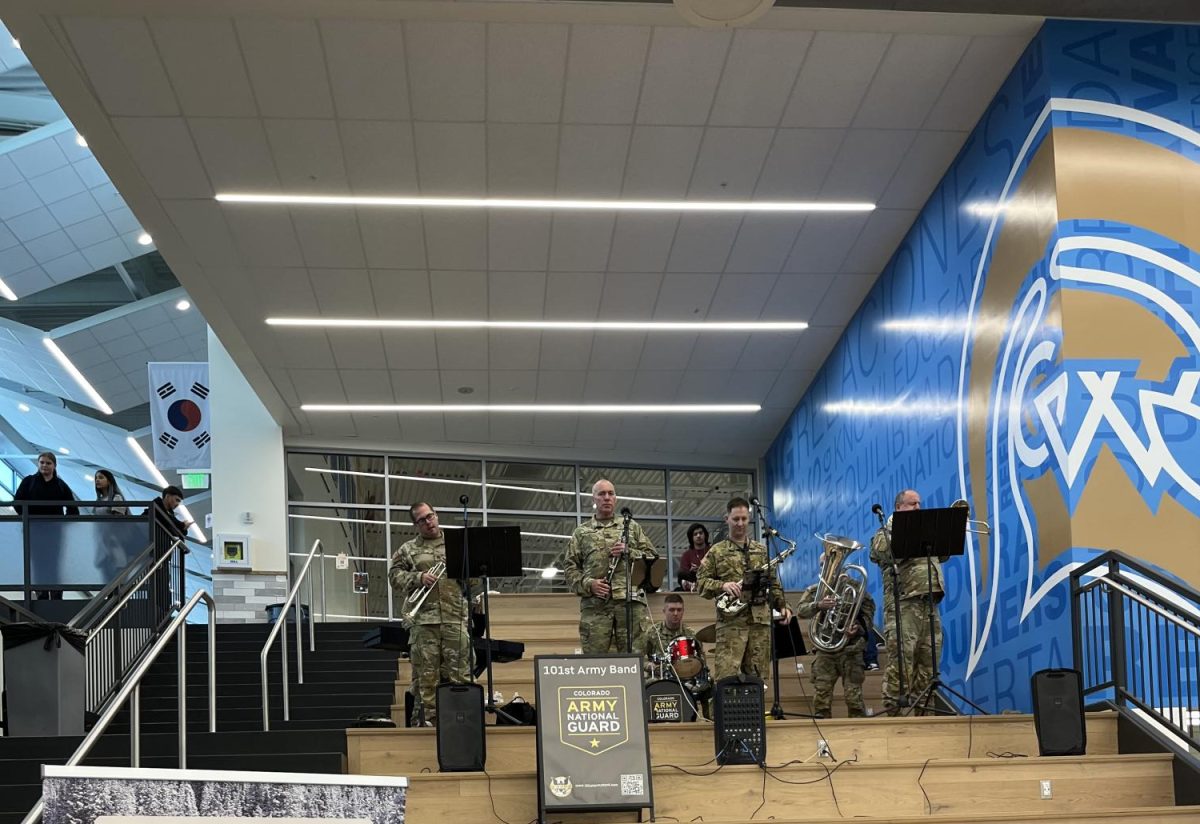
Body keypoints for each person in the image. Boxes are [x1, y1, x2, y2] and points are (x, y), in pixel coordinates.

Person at [388, 502, 473, 726]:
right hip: (424, 622)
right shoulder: (407, 549)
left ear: (436, 515)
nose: (429, 522)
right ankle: (430, 725)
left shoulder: (456, 545)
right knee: (427, 678)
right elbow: (394, 578)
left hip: (455, 617)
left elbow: (473, 582)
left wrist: (471, 570)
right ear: (415, 524)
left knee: (461, 674)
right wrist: (418, 578)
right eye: (422, 519)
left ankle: (461, 723)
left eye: (431, 516)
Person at [870, 488, 948, 715]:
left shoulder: (927, 532)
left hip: (929, 605)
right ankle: (895, 717)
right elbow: (883, 553)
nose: (918, 508)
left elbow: (944, 553)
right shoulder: (885, 533)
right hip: (903, 606)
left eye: (919, 504)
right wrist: (917, 533)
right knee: (901, 665)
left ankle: (925, 719)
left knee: (928, 667)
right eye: (913, 504)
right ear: (899, 508)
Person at [696, 497, 792, 682]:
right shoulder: (717, 551)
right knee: (726, 679)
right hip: (731, 624)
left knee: (758, 679)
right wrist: (722, 585)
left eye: (744, 519)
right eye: (735, 519)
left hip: (760, 623)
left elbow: (774, 583)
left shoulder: (761, 550)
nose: (740, 523)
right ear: (727, 519)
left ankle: (757, 712)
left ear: (749, 519)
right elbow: (700, 583)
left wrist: (783, 605)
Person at [562, 479, 658, 654]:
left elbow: (653, 559)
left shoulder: (631, 527)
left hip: (629, 603)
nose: (606, 497)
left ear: (615, 499)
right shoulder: (581, 532)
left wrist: (630, 551)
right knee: (595, 661)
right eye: (601, 494)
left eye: (610, 493)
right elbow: (570, 568)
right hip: (596, 605)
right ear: (594, 499)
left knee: (635, 658)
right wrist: (589, 584)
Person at [795, 550, 877, 718]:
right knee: (821, 700)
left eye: (834, 564)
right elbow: (801, 611)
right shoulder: (815, 590)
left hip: (851, 650)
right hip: (825, 651)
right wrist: (818, 605)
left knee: (854, 700)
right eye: (825, 565)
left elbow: (869, 613)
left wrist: (858, 627)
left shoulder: (856, 588)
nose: (829, 569)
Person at [643, 592, 711, 712]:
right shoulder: (652, 632)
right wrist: (649, 665)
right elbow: (641, 658)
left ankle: (710, 722)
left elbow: (700, 660)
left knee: (709, 685)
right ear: (664, 611)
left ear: (683, 611)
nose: (675, 613)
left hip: (686, 676)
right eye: (672, 610)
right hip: (660, 675)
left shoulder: (691, 634)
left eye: (679, 610)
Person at [13, 451, 79, 515]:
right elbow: (17, 502)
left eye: (48, 463)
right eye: (42, 462)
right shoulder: (28, 481)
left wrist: (65, 523)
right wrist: (27, 518)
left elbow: (73, 509)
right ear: (38, 463)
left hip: (55, 525)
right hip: (32, 524)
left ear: (54, 465)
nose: (44, 465)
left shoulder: (61, 485)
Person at [675, 523, 711, 592]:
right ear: (691, 538)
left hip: (709, 579)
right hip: (693, 578)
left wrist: (701, 570)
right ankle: (692, 585)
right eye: (695, 534)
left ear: (705, 535)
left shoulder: (713, 551)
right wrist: (691, 571)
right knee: (680, 575)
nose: (698, 536)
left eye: (700, 533)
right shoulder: (686, 555)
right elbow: (683, 574)